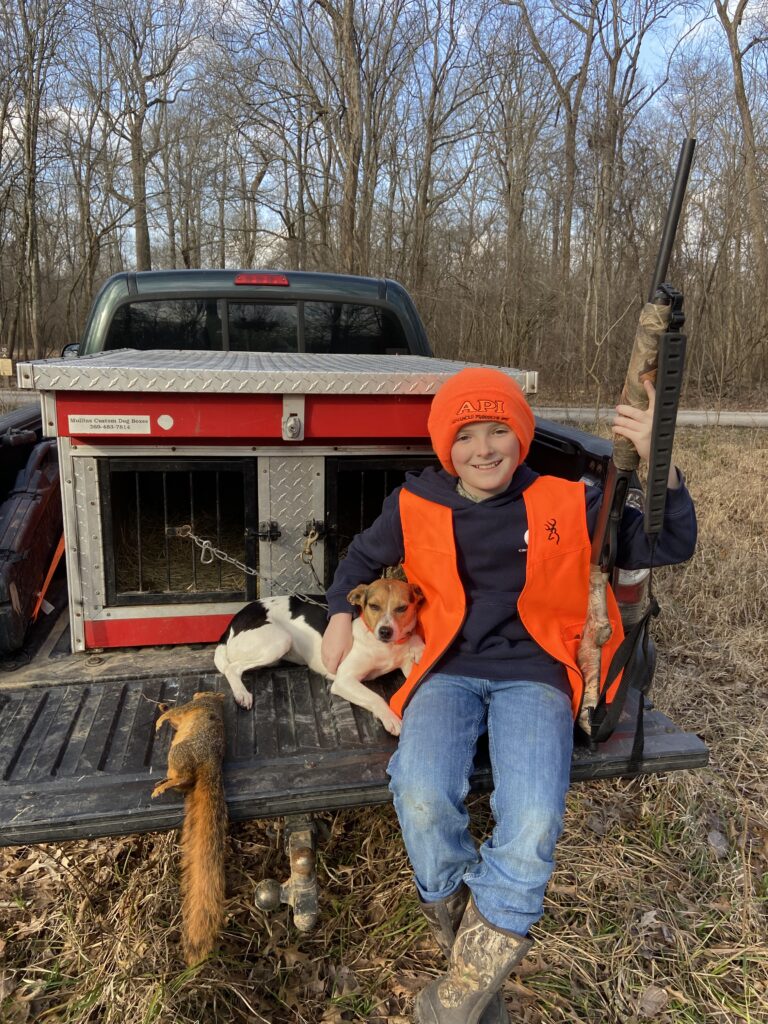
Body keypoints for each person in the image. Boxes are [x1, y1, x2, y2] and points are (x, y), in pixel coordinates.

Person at [321, 367, 696, 1024]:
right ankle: (473, 941)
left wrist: (660, 464)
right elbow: (356, 561)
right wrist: (334, 614)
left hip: (536, 672)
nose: (484, 448)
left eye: (499, 430)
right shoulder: (416, 503)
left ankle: (466, 983)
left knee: (532, 821)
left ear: (521, 437)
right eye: (466, 435)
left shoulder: (569, 500)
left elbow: (667, 541)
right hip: (443, 669)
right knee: (420, 791)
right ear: (446, 447)